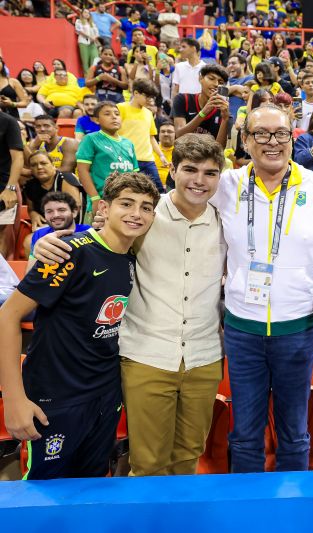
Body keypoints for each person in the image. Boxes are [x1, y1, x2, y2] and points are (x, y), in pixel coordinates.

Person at [34, 134, 227, 477]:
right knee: (148, 462)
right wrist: (49, 244)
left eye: (210, 173)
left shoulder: (229, 221)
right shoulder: (144, 214)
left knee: (189, 455)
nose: (199, 180)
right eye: (190, 169)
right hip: (146, 355)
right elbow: (99, 240)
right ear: (172, 171)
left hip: (204, 356)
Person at [211, 105, 313, 473]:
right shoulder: (226, 185)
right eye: (261, 134)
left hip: (298, 329)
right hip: (242, 329)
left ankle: (292, 502)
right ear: (246, 140)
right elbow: (179, 206)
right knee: (244, 434)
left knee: (294, 432)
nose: (272, 142)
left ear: (293, 138)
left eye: (281, 134)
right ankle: (248, 503)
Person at [0, 172, 158, 480]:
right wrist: (14, 399)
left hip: (105, 395)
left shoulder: (133, 258)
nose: (136, 214)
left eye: (146, 207)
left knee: (93, 484)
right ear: (104, 209)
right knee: (46, 490)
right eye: (126, 204)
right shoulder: (68, 252)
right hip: (56, 397)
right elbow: (7, 316)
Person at [76, 102, 139, 216]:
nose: (114, 117)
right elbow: (82, 171)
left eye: (117, 114)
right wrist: (95, 198)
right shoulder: (90, 139)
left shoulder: (128, 143)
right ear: (96, 120)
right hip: (103, 200)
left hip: (127, 201)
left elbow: (135, 175)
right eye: (107, 114)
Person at [118, 79, 168, 193]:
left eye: (152, 97)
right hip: (127, 160)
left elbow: (151, 137)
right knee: (128, 191)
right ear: (136, 93)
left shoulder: (148, 113)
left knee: (158, 191)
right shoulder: (120, 108)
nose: (150, 100)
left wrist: (161, 155)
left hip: (148, 160)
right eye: (147, 96)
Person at [27, 191, 90, 269]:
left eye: (61, 210)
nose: (55, 215)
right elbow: (30, 270)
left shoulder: (88, 232)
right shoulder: (40, 234)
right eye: (49, 211)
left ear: (74, 212)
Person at [172, 63, 230, 147]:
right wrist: (204, 111)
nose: (216, 84)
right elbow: (179, 136)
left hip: (208, 155)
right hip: (185, 154)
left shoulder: (222, 109)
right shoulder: (183, 99)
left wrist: (225, 119)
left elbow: (220, 148)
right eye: (211, 78)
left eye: (220, 82)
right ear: (200, 78)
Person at [0, 111, 24, 257]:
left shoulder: (8, 122)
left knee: (1, 233)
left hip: (2, 187)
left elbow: (18, 158)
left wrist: (10, 188)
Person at [75, 9, 100, 76]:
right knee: (85, 61)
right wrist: (90, 37)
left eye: (88, 13)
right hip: (83, 42)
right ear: (82, 14)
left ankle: (92, 75)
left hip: (93, 43)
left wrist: (95, 38)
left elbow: (97, 33)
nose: (87, 14)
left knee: (95, 59)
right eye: (85, 12)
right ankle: (87, 76)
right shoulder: (79, 21)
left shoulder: (92, 23)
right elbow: (79, 31)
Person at [155, 121, 175, 188]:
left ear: (175, 134)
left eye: (169, 132)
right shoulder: (149, 149)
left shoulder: (180, 151)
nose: (166, 134)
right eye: (163, 131)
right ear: (159, 134)